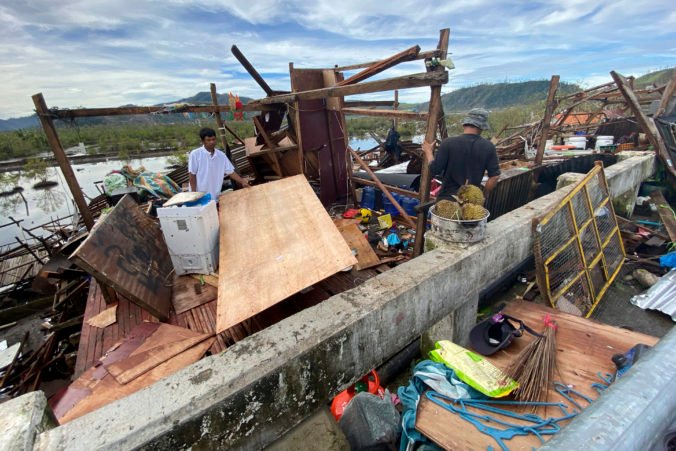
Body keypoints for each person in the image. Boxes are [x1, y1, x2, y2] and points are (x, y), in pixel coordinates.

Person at [421, 108, 500, 201]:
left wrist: (429, 152)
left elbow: (434, 170)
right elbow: (494, 177)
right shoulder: (488, 146)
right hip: (471, 201)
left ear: (464, 124)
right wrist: (483, 195)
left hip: (447, 200)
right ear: (482, 127)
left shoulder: (448, 143)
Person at [188, 127, 250, 201]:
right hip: (199, 195)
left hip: (214, 194)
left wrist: (243, 182)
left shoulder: (221, 155)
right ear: (203, 141)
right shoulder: (195, 154)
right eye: (208, 140)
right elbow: (192, 175)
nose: (212, 142)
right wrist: (194, 194)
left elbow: (230, 171)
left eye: (213, 139)